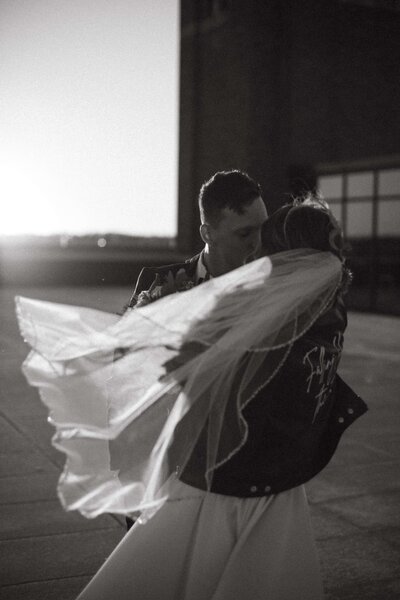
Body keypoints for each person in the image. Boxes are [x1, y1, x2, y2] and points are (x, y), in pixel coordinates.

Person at [16, 196, 367, 599]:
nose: (256, 250)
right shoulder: (330, 311)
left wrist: (175, 344)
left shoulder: (267, 314)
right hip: (280, 478)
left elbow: (202, 379)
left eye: (263, 241)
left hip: (231, 478)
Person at [125, 169, 268, 309]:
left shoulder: (274, 284)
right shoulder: (155, 281)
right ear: (208, 235)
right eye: (244, 234)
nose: (258, 242)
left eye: (264, 229)